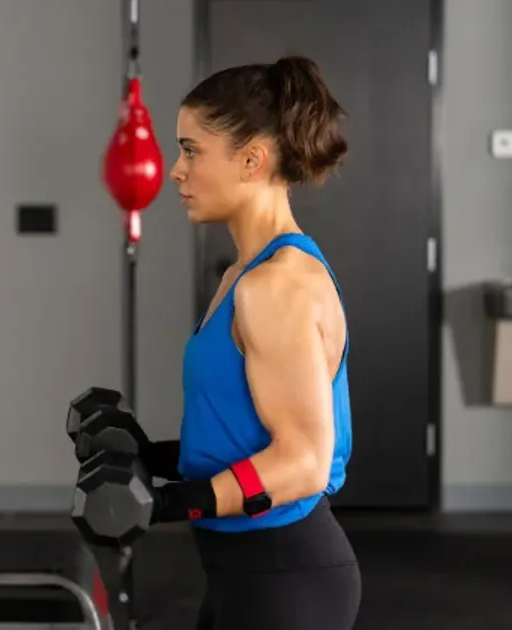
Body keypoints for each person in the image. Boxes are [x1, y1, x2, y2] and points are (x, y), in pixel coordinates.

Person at [137, 55, 361, 629]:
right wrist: (145, 456)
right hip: (244, 574)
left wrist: (169, 503)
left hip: (286, 577)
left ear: (252, 159)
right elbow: (242, 431)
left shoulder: (277, 285)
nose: (176, 171)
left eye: (191, 151)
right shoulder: (243, 274)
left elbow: (304, 462)